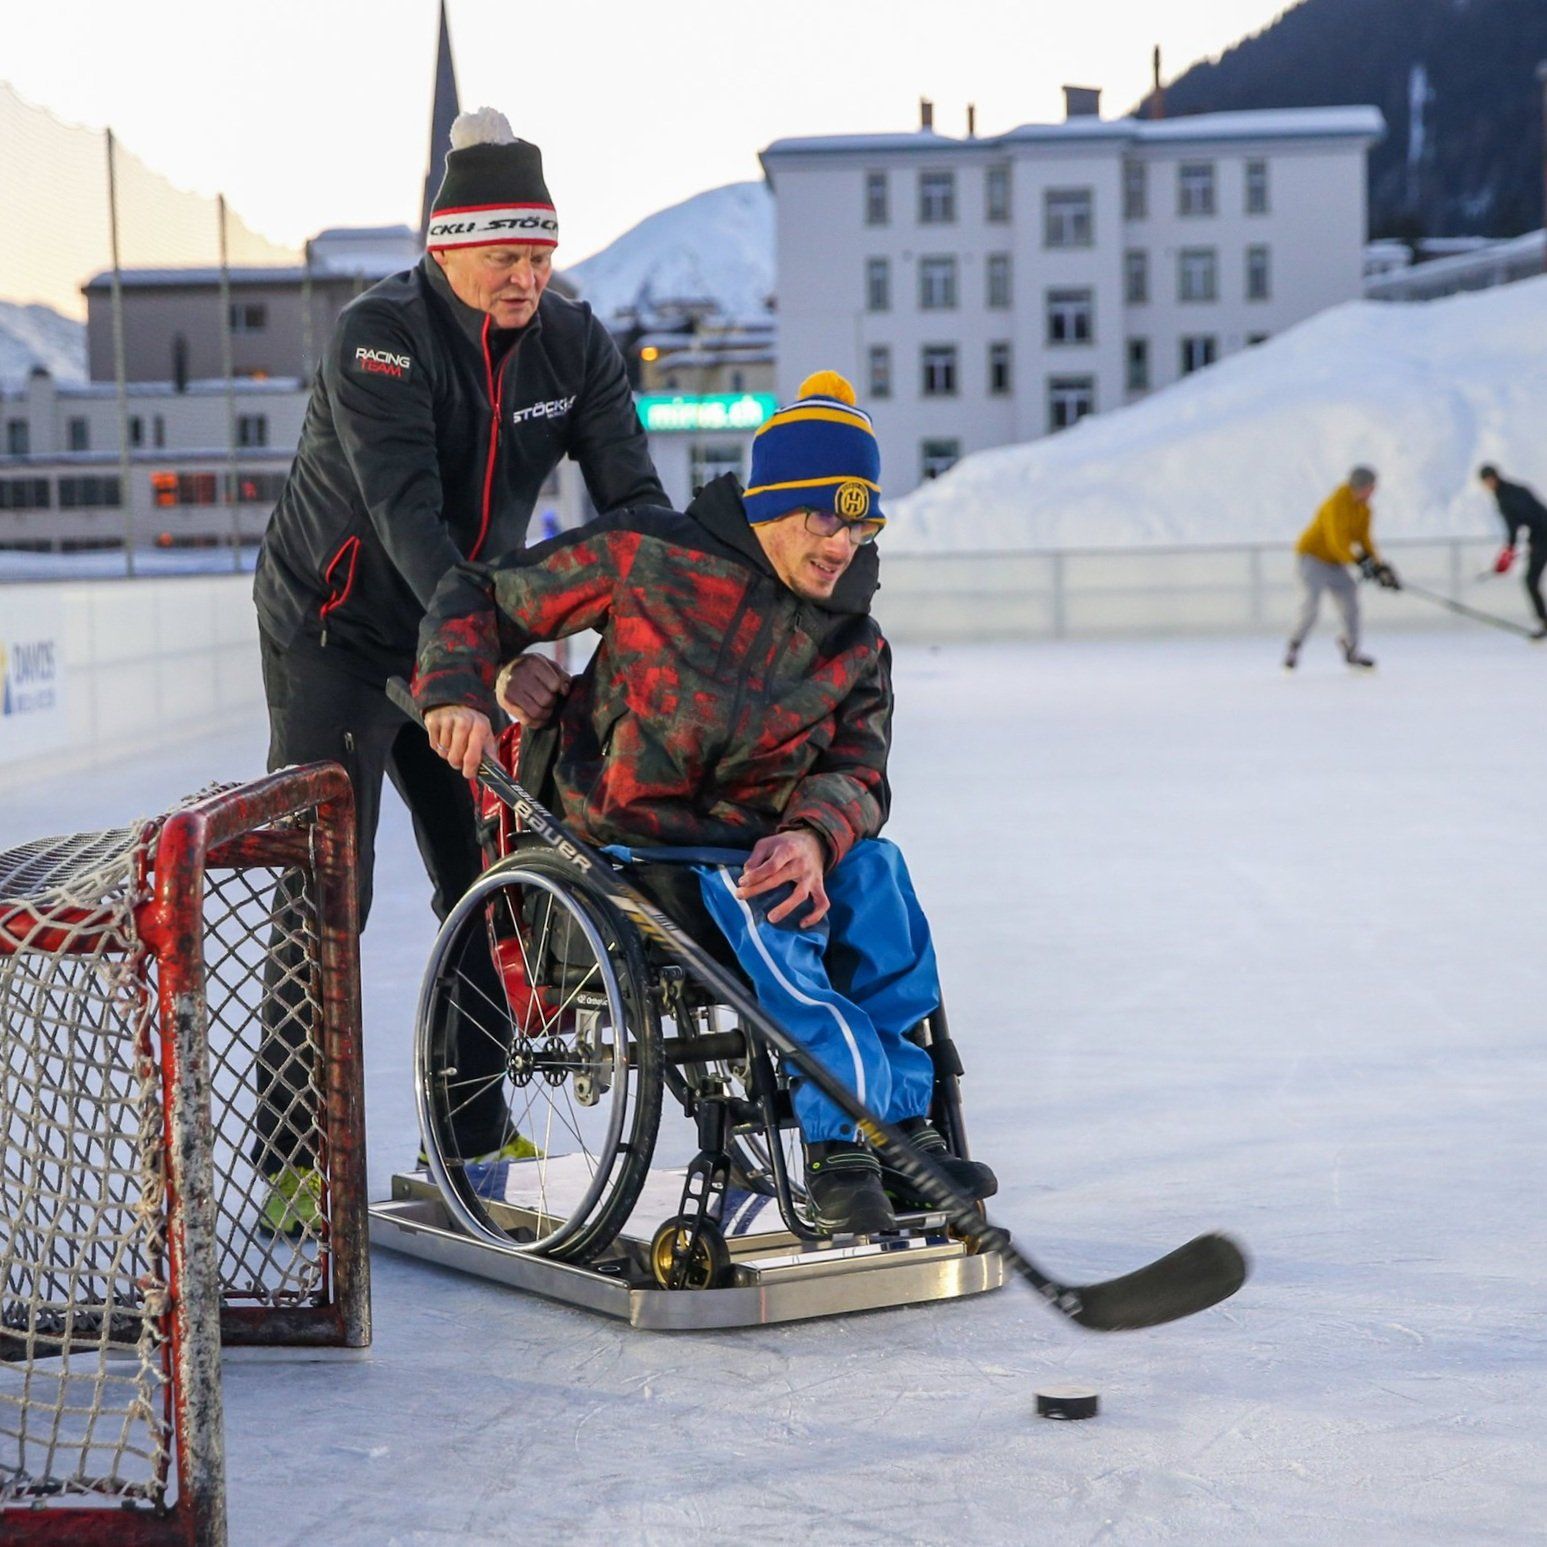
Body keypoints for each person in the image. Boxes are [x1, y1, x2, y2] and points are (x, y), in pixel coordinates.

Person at [413, 371, 997, 1236]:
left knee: (875, 875)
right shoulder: (648, 556)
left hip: (763, 840)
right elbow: (482, 596)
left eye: (862, 521)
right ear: (775, 502)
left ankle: (900, 1126)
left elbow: (858, 769)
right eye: (825, 518)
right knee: (776, 907)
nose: (843, 544)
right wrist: (463, 687)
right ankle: (845, 1139)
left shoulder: (853, 637)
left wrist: (810, 831)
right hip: (628, 842)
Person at [250, 107, 665, 1234]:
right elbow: (409, 523)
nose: (526, 274)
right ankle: (293, 1156)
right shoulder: (379, 336)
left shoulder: (573, 344)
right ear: (446, 245)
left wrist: (665, 615)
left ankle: (474, 1126)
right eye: (504, 254)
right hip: (335, 635)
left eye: (540, 251)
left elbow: (632, 508)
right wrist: (494, 655)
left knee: (481, 876)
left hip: (462, 630)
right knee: (328, 891)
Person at [1283, 466, 1399, 671]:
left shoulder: (1364, 509)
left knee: (1351, 601)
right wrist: (1360, 563)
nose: (1373, 492)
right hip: (1312, 558)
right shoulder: (1335, 504)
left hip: (1335, 562)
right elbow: (1337, 541)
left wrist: (1378, 567)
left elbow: (1365, 540)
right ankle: (1294, 646)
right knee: (1311, 604)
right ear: (1361, 486)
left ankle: (1351, 647)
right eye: (1371, 487)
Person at [1478, 464, 1547, 640]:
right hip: (1540, 536)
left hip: (1542, 537)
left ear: (1492, 479)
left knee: (1531, 581)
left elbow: (1514, 527)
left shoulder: (1505, 498)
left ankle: (1544, 622)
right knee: (1531, 581)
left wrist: (1508, 552)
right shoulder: (1516, 490)